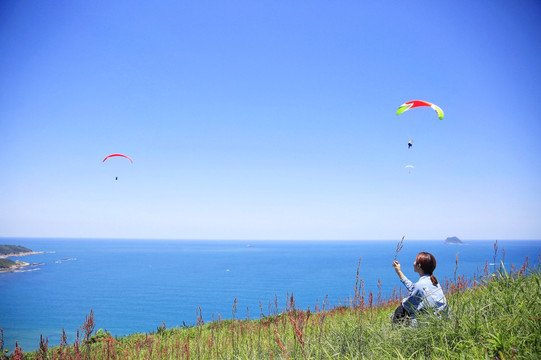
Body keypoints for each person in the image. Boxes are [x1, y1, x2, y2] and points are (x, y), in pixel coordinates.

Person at [391, 252, 447, 325]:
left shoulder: (420, 285)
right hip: (439, 320)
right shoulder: (434, 282)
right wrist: (398, 271)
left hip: (426, 324)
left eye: (415, 261)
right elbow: (413, 288)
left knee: (401, 309)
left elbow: (408, 305)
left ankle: (395, 330)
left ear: (419, 266)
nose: (413, 263)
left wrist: (403, 301)